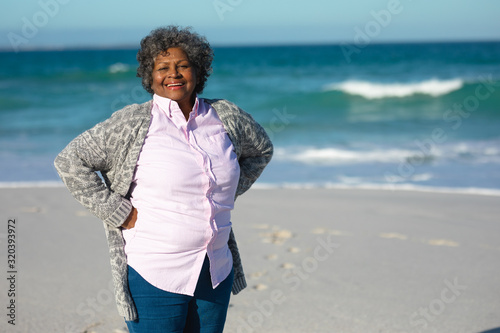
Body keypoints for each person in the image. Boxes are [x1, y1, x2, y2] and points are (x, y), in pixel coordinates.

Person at [54, 25, 273, 333]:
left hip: (215, 271)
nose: (174, 74)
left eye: (183, 65)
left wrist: (223, 193)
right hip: (155, 273)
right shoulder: (132, 123)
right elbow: (70, 160)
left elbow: (261, 149)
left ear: (198, 70)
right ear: (149, 75)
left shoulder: (225, 116)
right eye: (163, 68)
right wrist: (116, 211)